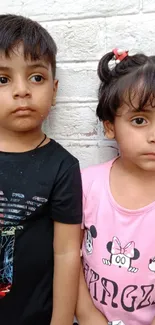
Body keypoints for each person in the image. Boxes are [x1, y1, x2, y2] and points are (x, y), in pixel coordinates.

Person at [0, 14, 82, 325]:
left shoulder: (62, 166)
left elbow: (66, 253)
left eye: (36, 77)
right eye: (2, 79)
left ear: (55, 89)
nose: (22, 91)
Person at [75, 48, 155, 325]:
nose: (154, 136)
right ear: (110, 127)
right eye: (139, 120)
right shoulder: (86, 185)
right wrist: (87, 315)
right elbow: (68, 258)